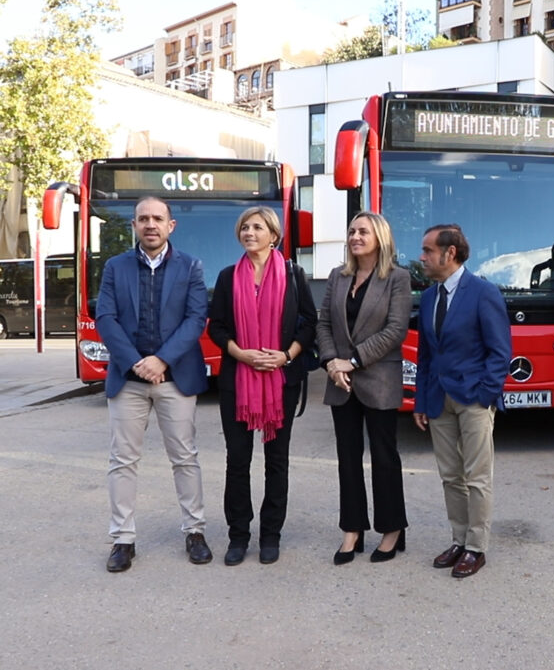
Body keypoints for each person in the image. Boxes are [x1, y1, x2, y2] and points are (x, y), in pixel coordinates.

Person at [96, 196, 212, 573]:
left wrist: (161, 360)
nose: (150, 225)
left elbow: (196, 320)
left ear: (170, 225)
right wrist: (136, 362)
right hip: (128, 379)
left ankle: (194, 531)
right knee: (122, 461)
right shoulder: (115, 267)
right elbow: (106, 318)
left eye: (157, 219)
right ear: (134, 225)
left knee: (185, 457)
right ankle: (123, 539)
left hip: (175, 377)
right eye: (143, 219)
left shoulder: (191, 266)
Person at [208, 206, 317, 566]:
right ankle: (238, 536)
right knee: (237, 461)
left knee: (277, 462)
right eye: (244, 227)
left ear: (274, 235)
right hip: (237, 381)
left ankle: (271, 535)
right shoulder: (227, 277)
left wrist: (285, 356)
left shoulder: (293, 274)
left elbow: (309, 324)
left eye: (257, 227)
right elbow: (217, 326)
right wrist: (241, 354)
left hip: (280, 381)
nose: (249, 233)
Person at [412, 224, 511, 578]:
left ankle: (476, 547)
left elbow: (500, 352)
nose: (421, 257)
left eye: (427, 251)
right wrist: (421, 401)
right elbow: (425, 355)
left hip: (473, 399)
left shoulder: (483, 293)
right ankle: (458, 539)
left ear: (449, 253)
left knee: (477, 477)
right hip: (438, 399)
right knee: (450, 476)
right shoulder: (428, 297)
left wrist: (485, 395)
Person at [317, 211, 411, 565]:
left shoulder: (398, 279)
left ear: (380, 238)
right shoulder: (337, 278)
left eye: (363, 232)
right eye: (352, 231)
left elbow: (395, 330)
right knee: (347, 459)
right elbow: (323, 322)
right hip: (340, 382)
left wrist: (352, 361)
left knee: (385, 459)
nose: (355, 236)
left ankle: (391, 530)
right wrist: (331, 362)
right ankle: (352, 531)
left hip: (379, 379)